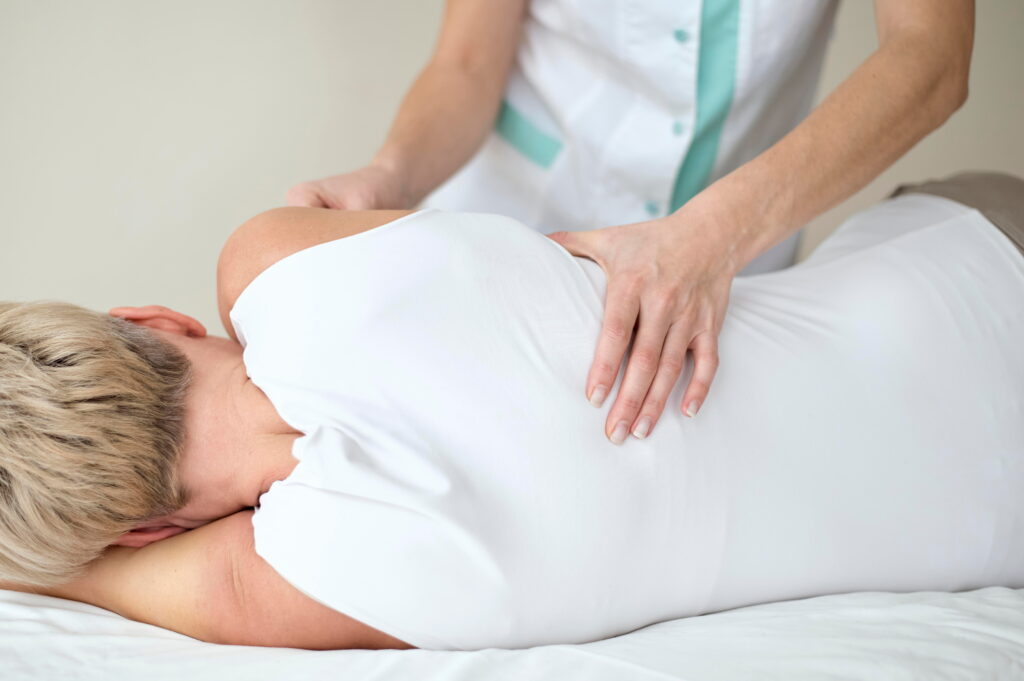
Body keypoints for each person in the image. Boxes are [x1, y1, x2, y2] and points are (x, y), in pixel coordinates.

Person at [1, 172, 1022, 651]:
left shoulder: (291, 583)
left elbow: (139, 580)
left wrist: (70, 532)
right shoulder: (274, 259)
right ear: (149, 318)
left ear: (148, 530)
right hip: (971, 256)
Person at [288, 0, 975, 446]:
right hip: (511, 228)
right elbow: (466, 62)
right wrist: (390, 175)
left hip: (728, 271)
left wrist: (716, 236)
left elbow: (931, 56)